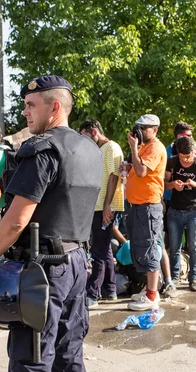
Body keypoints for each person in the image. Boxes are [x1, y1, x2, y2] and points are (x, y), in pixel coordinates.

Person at [0, 76, 101, 372]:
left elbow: (16, 220)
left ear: (55, 107)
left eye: (31, 105)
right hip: (77, 262)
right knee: (69, 359)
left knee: (31, 360)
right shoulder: (91, 150)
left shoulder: (43, 149)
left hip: (43, 269)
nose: (24, 113)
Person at [79, 120, 124, 308]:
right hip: (98, 205)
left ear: (94, 132)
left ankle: (93, 293)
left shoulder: (111, 147)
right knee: (104, 249)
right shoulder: (100, 149)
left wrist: (107, 205)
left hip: (106, 206)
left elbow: (114, 177)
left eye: (85, 136)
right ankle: (110, 289)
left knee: (98, 250)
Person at [125, 114, 167, 310]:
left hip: (148, 206)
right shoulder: (143, 147)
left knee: (149, 249)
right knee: (141, 248)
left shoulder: (156, 148)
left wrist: (133, 148)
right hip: (138, 205)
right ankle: (150, 290)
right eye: (138, 127)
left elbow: (142, 172)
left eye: (144, 128)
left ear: (155, 130)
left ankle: (152, 295)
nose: (140, 131)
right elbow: (136, 169)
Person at [165, 136, 196, 291]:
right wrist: (173, 184)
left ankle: (193, 278)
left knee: (194, 245)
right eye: (183, 157)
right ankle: (174, 278)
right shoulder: (172, 162)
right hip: (174, 210)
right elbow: (164, 184)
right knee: (174, 246)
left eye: (188, 157)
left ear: (194, 152)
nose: (186, 160)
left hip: (194, 210)